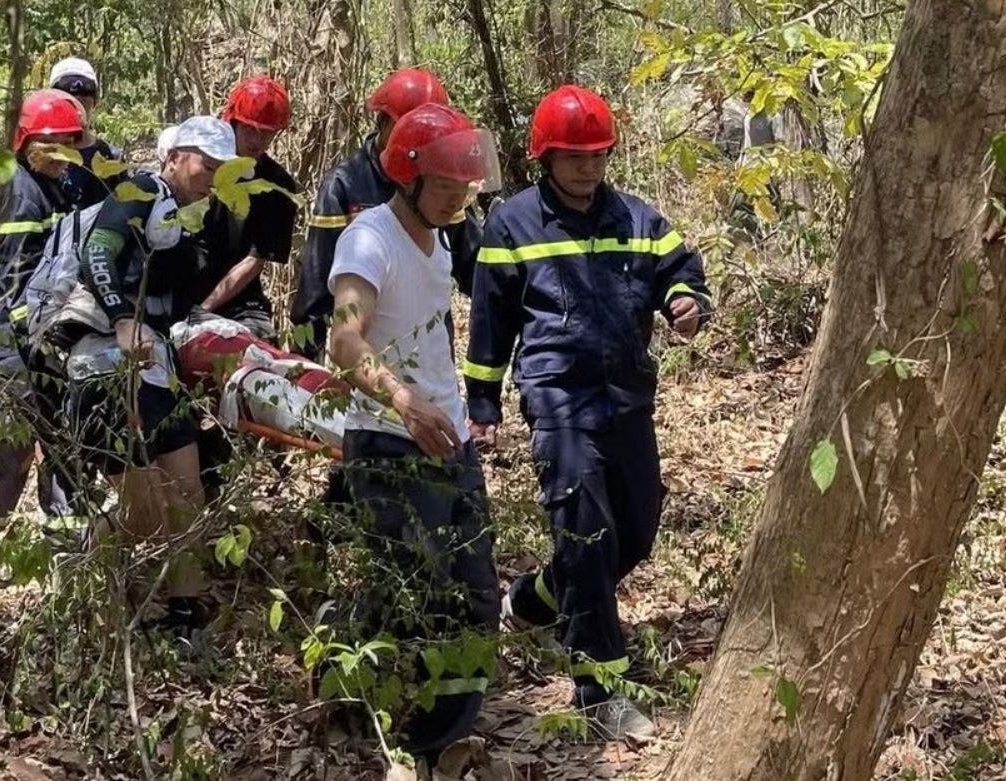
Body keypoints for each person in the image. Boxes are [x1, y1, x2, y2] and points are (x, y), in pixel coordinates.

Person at [462, 85, 713, 741]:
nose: (587, 166)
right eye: (573, 155)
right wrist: (482, 403)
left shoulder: (637, 219)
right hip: (557, 397)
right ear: (545, 155)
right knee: (586, 532)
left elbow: (682, 270)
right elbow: (489, 324)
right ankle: (601, 687)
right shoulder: (511, 225)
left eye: (598, 153)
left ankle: (533, 599)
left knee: (636, 531)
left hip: (629, 395)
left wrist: (687, 302)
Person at [328, 104, 502, 765]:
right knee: (414, 593)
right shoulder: (368, 240)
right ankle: (382, 720)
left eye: (465, 190)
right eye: (446, 189)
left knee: (476, 589)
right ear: (407, 176)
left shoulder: (443, 242)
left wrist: (450, 411)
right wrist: (402, 402)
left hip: (448, 436)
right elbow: (344, 338)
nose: (457, 202)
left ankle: (441, 733)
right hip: (389, 441)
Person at [57, 116, 238, 635]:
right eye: (206, 165)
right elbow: (98, 253)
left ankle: (185, 617)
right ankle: (87, 586)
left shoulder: (187, 217)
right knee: (145, 514)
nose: (211, 176)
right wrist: (121, 319)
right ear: (176, 156)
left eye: (220, 168)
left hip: (156, 366)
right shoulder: (137, 191)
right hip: (103, 364)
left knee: (188, 497)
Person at [290, 67, 481, 361]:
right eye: (408, 125)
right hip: (371, 363)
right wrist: (303, 364)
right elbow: (316, 286)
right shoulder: (345, 184)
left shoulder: (443, 182)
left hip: (432, 358)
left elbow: (474, 269)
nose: (419, 138)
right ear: (383, 122)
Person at [0, 89, 90, 532]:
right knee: (14, 442)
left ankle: (64, 538)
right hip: (8, 332)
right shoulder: (21, 194)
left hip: (39, 330)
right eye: (51, 144)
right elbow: (14, 283)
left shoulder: (55, 183)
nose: (63, 154)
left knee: (63, 434)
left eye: (69, 143)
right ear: (26, 143)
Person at [190, 74, 300, 340]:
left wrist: (204, 311)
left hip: (240, 303)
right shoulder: (195, 163)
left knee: (258, 347)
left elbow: (255, 260)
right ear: (233, 122)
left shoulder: (278, 186)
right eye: (250, 130)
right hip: (182, 287)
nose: (257, 141)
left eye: (267, 133)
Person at [48, 57, 126, 209]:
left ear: (95, 101)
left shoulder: (111, 156)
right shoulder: (42, 155)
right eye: (68, 99)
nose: (76, 107)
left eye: (84, 99)